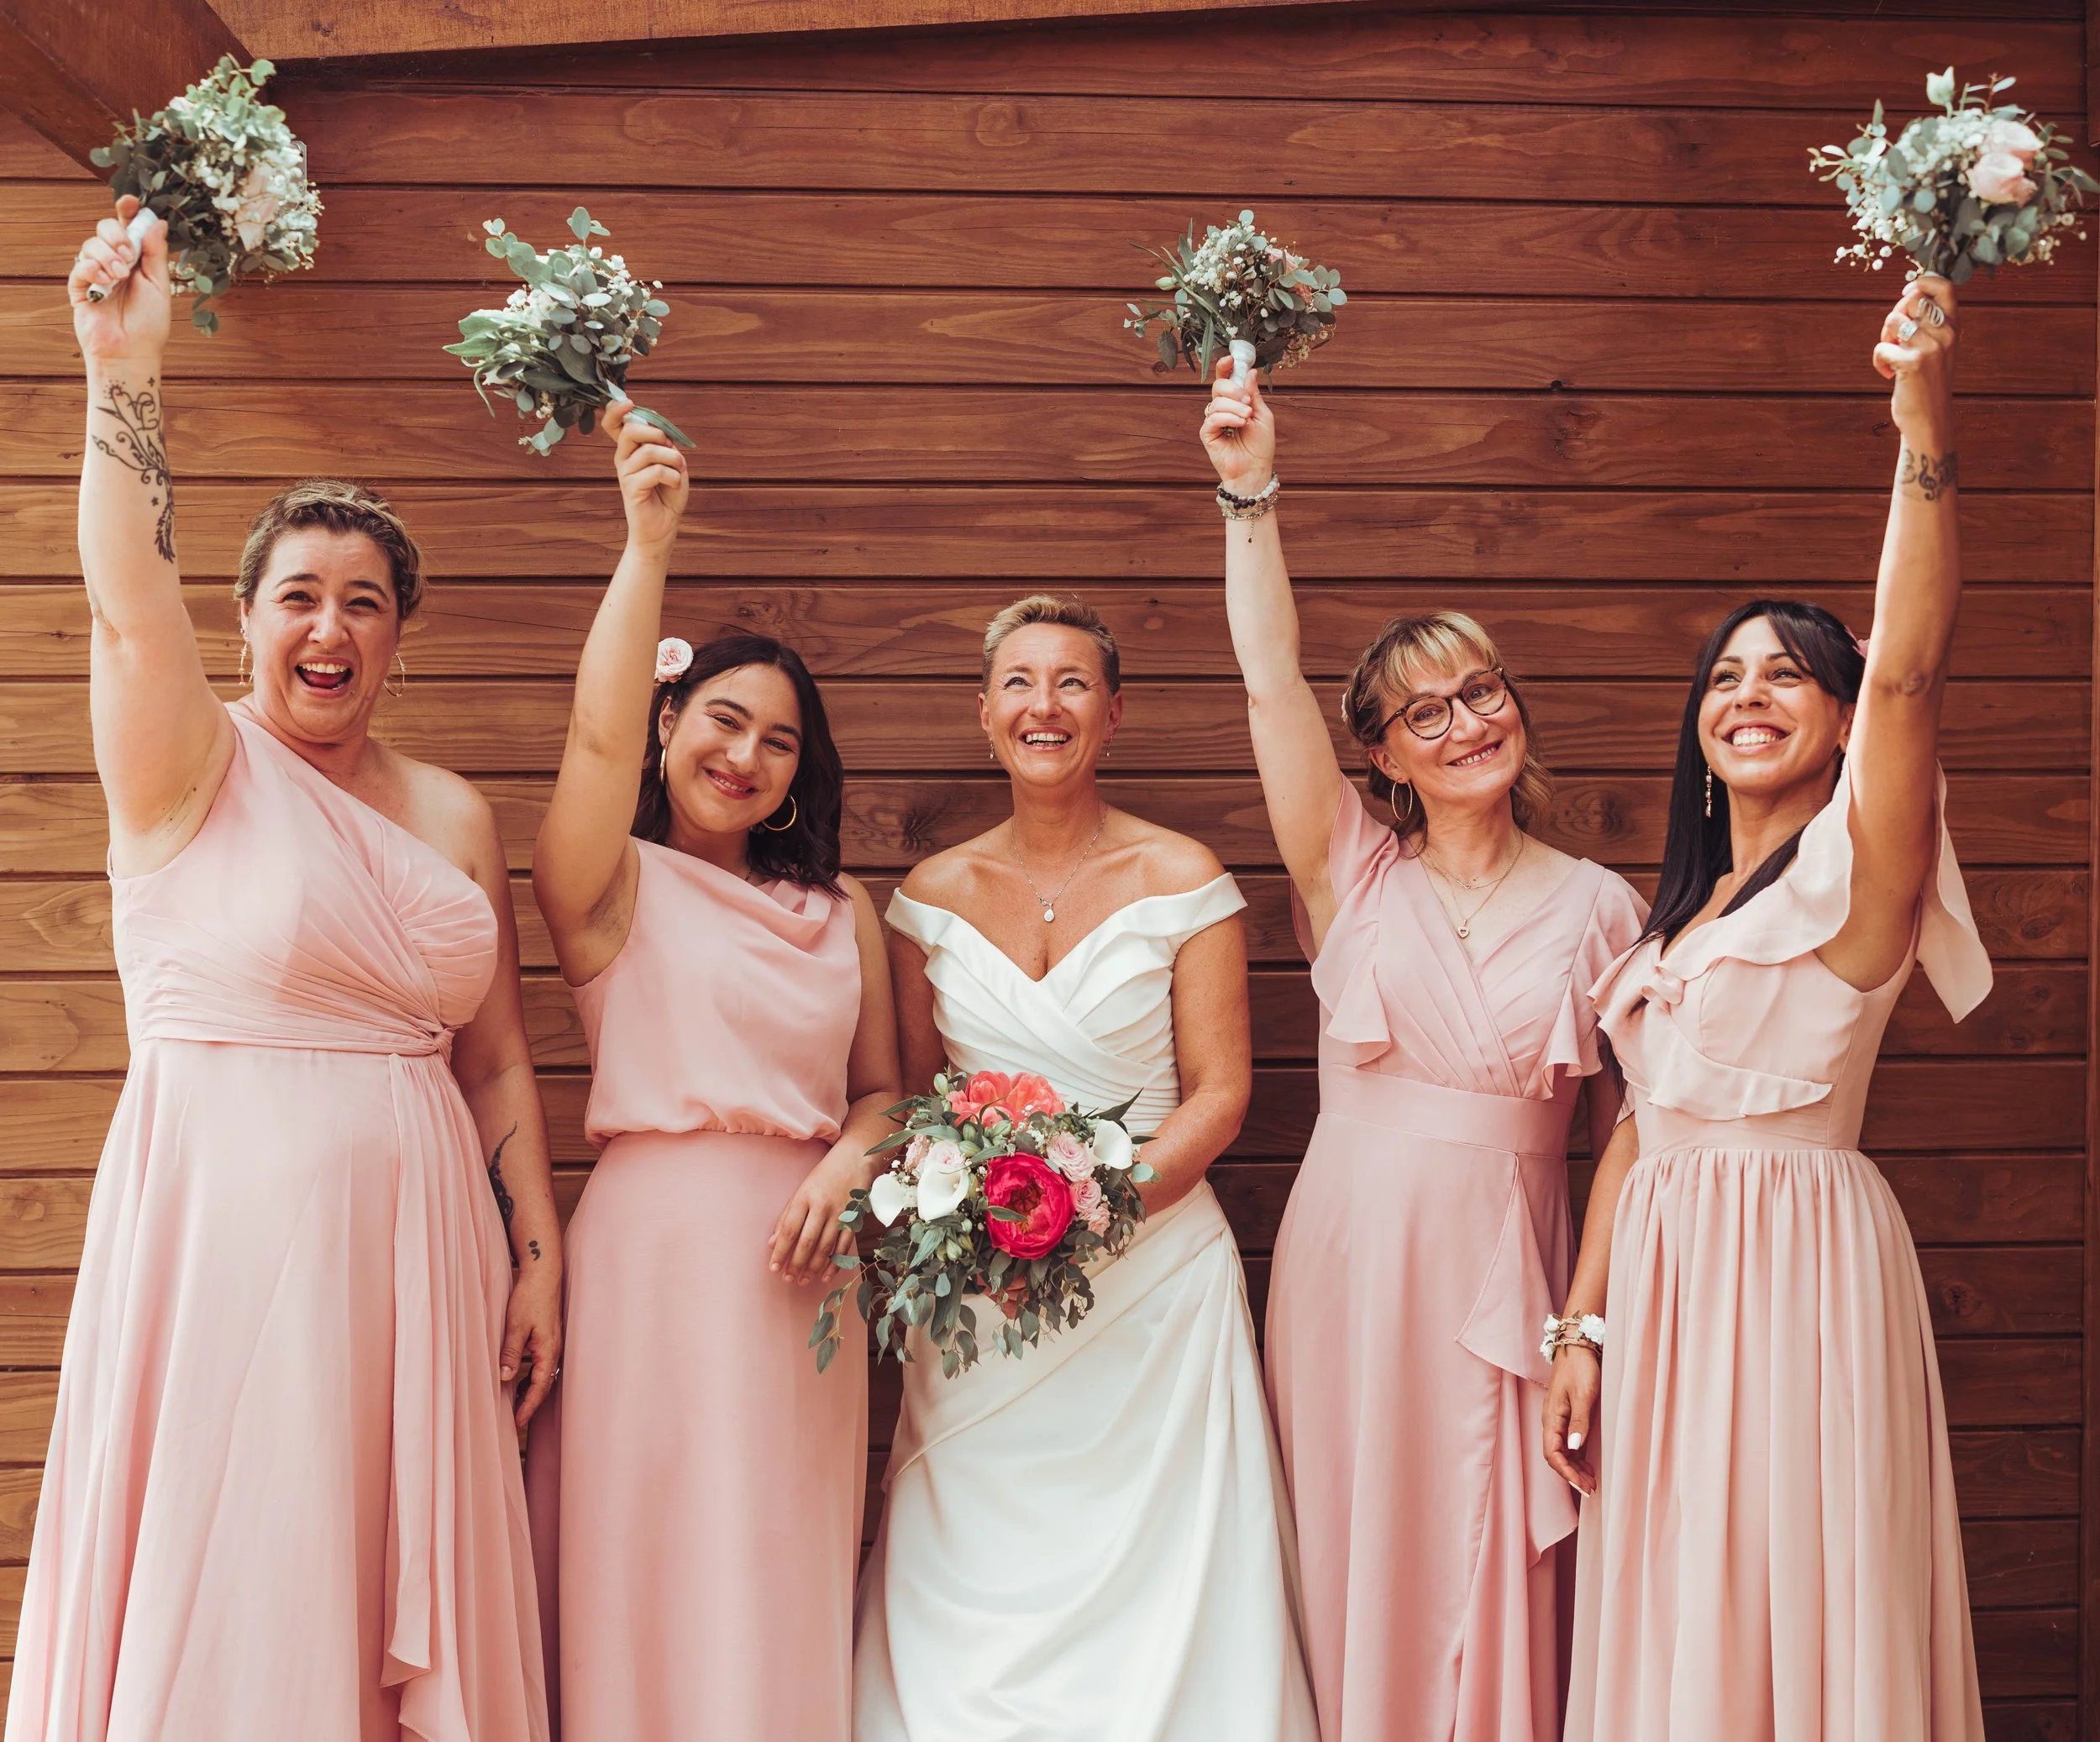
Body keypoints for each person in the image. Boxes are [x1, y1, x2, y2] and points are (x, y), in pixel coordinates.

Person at [16, 197, 559, 1741]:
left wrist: (538, 1249)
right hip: (228, 1232)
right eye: (298, 597)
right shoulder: (189, 765)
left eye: (364, 602)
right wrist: (125, 374)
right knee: (238, 1547)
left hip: (421, 1248)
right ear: (245, 621)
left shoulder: (455, 809)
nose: (330, 626)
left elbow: (499, 1054)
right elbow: (127, 609)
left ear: (403, 634)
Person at [1547, 277, 1990, 1742]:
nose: (1749, 695)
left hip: (1797, 1278)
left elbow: (1915, 659)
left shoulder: (1862, 873)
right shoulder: (1675, 921)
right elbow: (1637, 1132)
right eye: (1725, 677)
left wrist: (1918, 424)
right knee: (1678, 1604)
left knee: (1802, 1589)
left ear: (1845, 717)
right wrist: (1584, 1326)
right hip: (1664, 1291)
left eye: (1788, 674)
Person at [1200, 365, 1646, 1741]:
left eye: (1481, 690)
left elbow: (1636, 1133)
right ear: (1385, 756)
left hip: (1512, 1266)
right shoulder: (1348, 869)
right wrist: (1249, 492)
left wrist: (1582, 1321)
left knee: (1492, 1568)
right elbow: (1269, 677)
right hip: (1352, 1262)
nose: (1467, 723)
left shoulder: (1601, 905)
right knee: (1352, 1547)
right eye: (1426, 711)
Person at [852, 595, 1317, 1741]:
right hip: (985, 1297)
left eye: (1070, 683)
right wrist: (994, 1231)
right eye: (1018, 681)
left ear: (1112, 715)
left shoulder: (1183, 875)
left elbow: (1219, 1092)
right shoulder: (929, 900)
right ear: (985, 712)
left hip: (1154, 1285)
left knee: (1165, 1579)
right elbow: (923, 1104)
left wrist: (1086, 1217)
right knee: (981, 1558)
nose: (1042, 704)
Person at [525, 406, 900, 1742]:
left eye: (776, 741)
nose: (742, 756)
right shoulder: (610, 888)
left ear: (801, 773)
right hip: (650, 1255)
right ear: (666, 718)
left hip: (804, 1278)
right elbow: (584, 739)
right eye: (719, 722)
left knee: (771, 1558)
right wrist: (648, 540)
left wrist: (854, 1162)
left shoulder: (841, 910)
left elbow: (885, 1093)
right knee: (641, 1546)